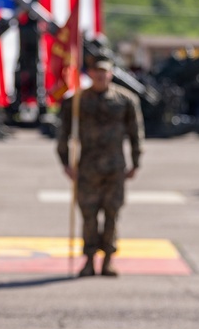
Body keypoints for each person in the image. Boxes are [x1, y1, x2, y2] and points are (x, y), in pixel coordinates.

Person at [57, 59, 144, 278]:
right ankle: (88, 259)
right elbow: (63, 134)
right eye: (96, 72)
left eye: (104, 72)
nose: (100, 76)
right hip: (87, 169)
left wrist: (136, 162)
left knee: (112, 214)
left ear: (111, 74)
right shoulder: (77, 101)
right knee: (89, 216)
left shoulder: (125, 101)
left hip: (115, 169)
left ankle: (107, 260)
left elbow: (136, 134)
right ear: (91, 74)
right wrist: (65, 163)